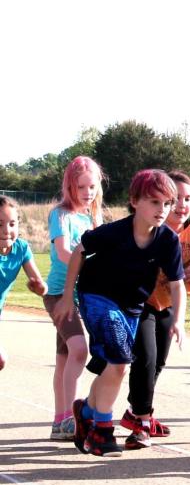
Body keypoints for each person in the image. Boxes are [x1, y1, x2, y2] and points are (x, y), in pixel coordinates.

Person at [59, 170, 185, 457]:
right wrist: (67, 297)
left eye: (167, 204)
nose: (162, 210)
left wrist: (179, 320)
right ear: (134, 201)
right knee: (120, 362)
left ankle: (86, 410)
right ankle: (102, 431)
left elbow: (177, 283)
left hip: (131, 307)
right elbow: (80, 250)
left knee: (114, 366)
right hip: (98, 297)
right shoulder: (115, 232)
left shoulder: (167, 240)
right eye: (154, 202)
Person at [122, 172, 190, 449]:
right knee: (145, 358)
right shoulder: (149, 226)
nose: (181, 205)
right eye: (175, 199)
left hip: (169, 305)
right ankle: (141, 422)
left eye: (188, 199)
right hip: (139, 302)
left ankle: (135, 411)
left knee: (156, 363)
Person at [43, 156, 103, 440]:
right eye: (81, 187)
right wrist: (91, 265)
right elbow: (65, 252)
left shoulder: (95, 218)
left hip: (83, 295)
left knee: (64, 359)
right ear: (70, 186)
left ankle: (59, 421)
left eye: (92, 186)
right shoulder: (61, 215)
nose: (87, 193)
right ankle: (70, 416)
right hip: (59, 294)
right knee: (79, 350)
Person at [0, 196, 47, 370]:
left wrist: (40, 288)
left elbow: (41, 285)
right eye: (0, 224)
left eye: (12, 224)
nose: (6, 230)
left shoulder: (21, 249)